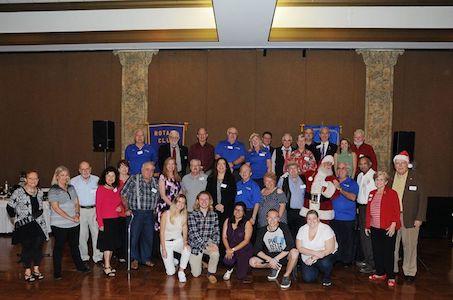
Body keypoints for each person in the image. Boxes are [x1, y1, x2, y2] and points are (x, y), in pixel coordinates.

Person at [6, 170, 48, 282]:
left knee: (38, 247)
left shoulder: (39, 192)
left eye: (35, 178)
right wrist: (15, 221)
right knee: (27, 248)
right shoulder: (18, 192)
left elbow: (40, 208)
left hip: (38, 225)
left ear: (38, 180)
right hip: (24, 226)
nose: (33, 181)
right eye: (30, 178)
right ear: (26, 179)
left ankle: (36, 269)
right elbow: (9, 208)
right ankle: (27, 271)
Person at [48, 166, 89, 280]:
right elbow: (56, 208)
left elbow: (76, 202)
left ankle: (80, 266)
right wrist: (71, 218)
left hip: (74, 223)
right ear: (57, 177)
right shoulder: (53, 190)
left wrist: (77, 214)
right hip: (59, 225)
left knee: (75, 246)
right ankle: (57, 272)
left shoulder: (71, 187)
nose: (65, 177)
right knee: (59, 248)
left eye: (66, 175)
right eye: (62, 175)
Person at [392, 151, 427, 282]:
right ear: (394, 165)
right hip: (393, 218)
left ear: (408, 164)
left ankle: (410, 272)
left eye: (403, 163)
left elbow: (423, 199)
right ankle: (393, 268)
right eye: (397, 163)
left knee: (410, 245)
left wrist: (420, 218)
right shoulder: (390, 178)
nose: (400, 166)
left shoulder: (416, 178)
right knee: (393, 245)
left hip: (411, 217)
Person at [121, 161, 160, 270]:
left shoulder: (155, 182)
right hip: (136, 213)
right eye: (147, 169)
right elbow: (123, 194)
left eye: (152, 170)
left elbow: (158, 197)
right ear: (142, 170)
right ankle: (134, 259)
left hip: (149, 214)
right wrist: (127, 208)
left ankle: (145, 258)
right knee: (134, 237)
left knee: (148, 237)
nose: (149, 172)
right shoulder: (134, 179)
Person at [366, 171, 401, 287]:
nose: (379, 182)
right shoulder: (372, 193)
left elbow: (396, 210)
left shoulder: (392, 193)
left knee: (388, 252)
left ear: (386, 182)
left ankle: (391, 276)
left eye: (381, 180)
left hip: (388, 228)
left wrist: (393, 224)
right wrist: (367, 225)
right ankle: (380, 273)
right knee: (377, 251)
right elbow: (368, 211)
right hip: (374, 227)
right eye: (377, 179)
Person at [249, 209, 299, 289]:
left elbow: (290, 245)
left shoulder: (284, 227)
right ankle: (273, 267)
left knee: (295, 252)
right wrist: (270, 260)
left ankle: (286, 276)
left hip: (283, 256)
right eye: (270, 217)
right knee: (252, 261)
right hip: (270, 257)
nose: (272, 220)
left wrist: (275, 259)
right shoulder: (262, 230)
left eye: (275, 218)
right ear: (266, 218)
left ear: (279, 219)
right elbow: (256, 249)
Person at [70, 161, 102, 264]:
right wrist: (75, 212)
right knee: (82, 235)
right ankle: (84, 256)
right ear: (79, 170)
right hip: (80, 211)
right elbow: (71, 199)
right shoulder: (73, 181)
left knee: (96, 234)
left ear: (90, 169)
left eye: (87, 169)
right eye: (82, 169)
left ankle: (97, 257)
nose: (85, 171)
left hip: (94, 210)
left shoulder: (97, 180)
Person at [296, 210, 338, 286]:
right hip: (308, 256)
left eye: (314, 218)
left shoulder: (326, 228)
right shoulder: (302, 229)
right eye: (309, 219)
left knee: (325, 263)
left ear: (318, 219)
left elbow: (330, 249)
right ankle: (316, 268)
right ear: (306, 220)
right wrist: (315, 253)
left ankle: (326, 277)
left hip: (326, 254)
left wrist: (313, 258)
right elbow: (299, 248)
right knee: (308, 279)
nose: (312, 221)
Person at [95, 167, 123, 277]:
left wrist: (120, 207)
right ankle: (106, 266)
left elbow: (119, 202)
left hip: (115, 220)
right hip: (106, 221)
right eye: (108, 176)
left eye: (113, 176)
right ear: (104, 177)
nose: (111, 178)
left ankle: (108, 264)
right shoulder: (101, 189)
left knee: (112, 245)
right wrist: (100, 223)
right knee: (107, 245)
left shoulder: (116, 188)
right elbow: (98, 208)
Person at [188, 191, 220, 284]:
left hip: (208, 241)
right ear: (198, 201)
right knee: (196, 274)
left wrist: (215, 244)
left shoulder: (214, 215)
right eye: (201, 199)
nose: (204, 201)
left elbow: (216, 231)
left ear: (210, 201)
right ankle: (201, 262)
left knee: (215, 253)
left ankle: (210, 273)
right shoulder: (192, 215)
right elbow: (194, 234)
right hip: (196, 245)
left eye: (206, 199)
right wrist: (206, 246)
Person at [330, 162, 359, 267]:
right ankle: (337, 259)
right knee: (336, 240)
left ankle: (347, 261)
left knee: (348, 241)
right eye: (338, 168)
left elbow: (353, 197)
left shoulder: (352, 183)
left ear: (347, 171)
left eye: (343, 168)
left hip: (348, 218)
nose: (340, 170)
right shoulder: (332, 181)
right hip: (333, 217)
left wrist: (340, 189)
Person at [160, 194, 191, 283]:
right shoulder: (166, 214)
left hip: (178, 241)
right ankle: (174, 260)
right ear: (175, 202)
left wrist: (185, 242)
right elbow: (161, 232)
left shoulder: (184, 215)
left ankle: (181, 271)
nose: (181, 204)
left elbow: (185, 229)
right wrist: (164, 249)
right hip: (166, 243)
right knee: (170, 272)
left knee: (187, 249)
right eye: (179, 201)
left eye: (183, 203)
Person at [222, 202, 254, 283]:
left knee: (241, 276)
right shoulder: (227, 220)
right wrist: (228, 249)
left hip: (243, 249)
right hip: (230, 247)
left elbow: (246, 241)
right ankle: (230, 269)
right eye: (236, 209)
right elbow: (224, 237)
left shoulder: (247, 223)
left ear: (244, 212)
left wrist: (232, 250)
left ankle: (246, 265)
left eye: (240, 210)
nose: (237, 212)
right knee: (227, 261)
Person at [301, 155, 338, 222]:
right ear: (321, 164)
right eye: (326, 164)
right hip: (308, 208)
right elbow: (299, 177)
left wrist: (327, 185)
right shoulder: (311, 174)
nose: (328, 166)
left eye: (330, 165)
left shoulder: (332, 178)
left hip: (323, 210)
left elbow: (335, 194)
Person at [356, 156, 376, 273]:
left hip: (370, 208)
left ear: (370, 164)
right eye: (360, 164)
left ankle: (372, 264)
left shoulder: (374, 176)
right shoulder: (359, 176)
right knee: (363, 235)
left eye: (365, 163)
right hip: (361, 208)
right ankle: (367, 260)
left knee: (368, 235)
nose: (362, 165)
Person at [206, 158, 237, 235]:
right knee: (214, 232)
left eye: (223, 164)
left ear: (226, 166)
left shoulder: (231, 178)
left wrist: (223, 205)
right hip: (213, 209)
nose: (221, 166)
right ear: (216, 166)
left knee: (225, 233)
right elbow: (208, 194)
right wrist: (215, 205)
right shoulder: (210, 178)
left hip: (227, 210)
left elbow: (232, 194)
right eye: (219, 163)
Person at [278, 161, 307, 239]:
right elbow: (278, 194)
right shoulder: (283, 180)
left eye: (295, 168)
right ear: (287, 170)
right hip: (288, 211)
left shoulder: (304, 179)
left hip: (302, 212)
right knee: (290, 232)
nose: (293, 170)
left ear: (298, 169)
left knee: (301, 232)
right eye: (290, 169)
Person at [156, 157, 182, 230]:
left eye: (173, 164)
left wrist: (179, 205)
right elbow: (163, 195)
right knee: (164, 231)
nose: (171, 166)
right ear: (165, 165)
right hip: (165, 206)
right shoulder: (162, 177)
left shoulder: (177, 177)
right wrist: (173, 206)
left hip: (176, 207)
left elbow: (180, 193)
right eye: (169, 164)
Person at [116, 159, 130, 263]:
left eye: (126, 166)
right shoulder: (115, 181)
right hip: (119, 211)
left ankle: (128, 254)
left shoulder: (132, 179)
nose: (124, 168)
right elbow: (113, 196)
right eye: (122, 167)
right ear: (118, 169)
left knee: (128, 233)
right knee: (119, 233)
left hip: (130, 210)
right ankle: (120, 254)